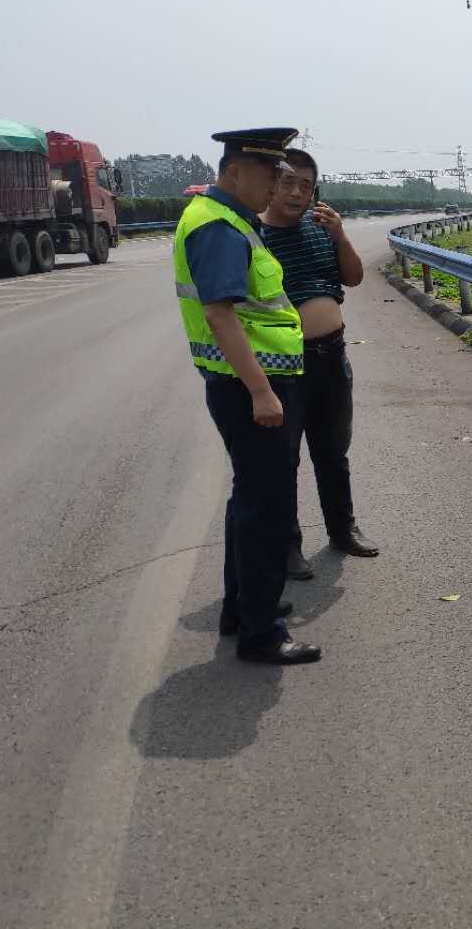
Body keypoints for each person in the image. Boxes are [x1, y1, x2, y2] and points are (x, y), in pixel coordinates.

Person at [173, 127, 321, 665]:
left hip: (244, 384)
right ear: (234, 172)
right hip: (248, 387)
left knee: (249, 501)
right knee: (266, 509)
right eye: (268, 176)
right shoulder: (217, 226)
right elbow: (220, 313)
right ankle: (262, 632)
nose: (276, 187)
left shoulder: (230, 221)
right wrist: (262, 391)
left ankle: (243, 608)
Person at [259, 147, 380, 573]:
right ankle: (288, 546)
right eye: (288, 183)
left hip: (333, 356)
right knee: (283, 458)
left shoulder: (320, 229)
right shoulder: (254, 237)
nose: (297, 193)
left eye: (306, 186)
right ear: (271, 185)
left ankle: (342, 530)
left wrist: (340, 235)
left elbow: (354, 277)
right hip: (283, 366)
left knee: (333, 451)